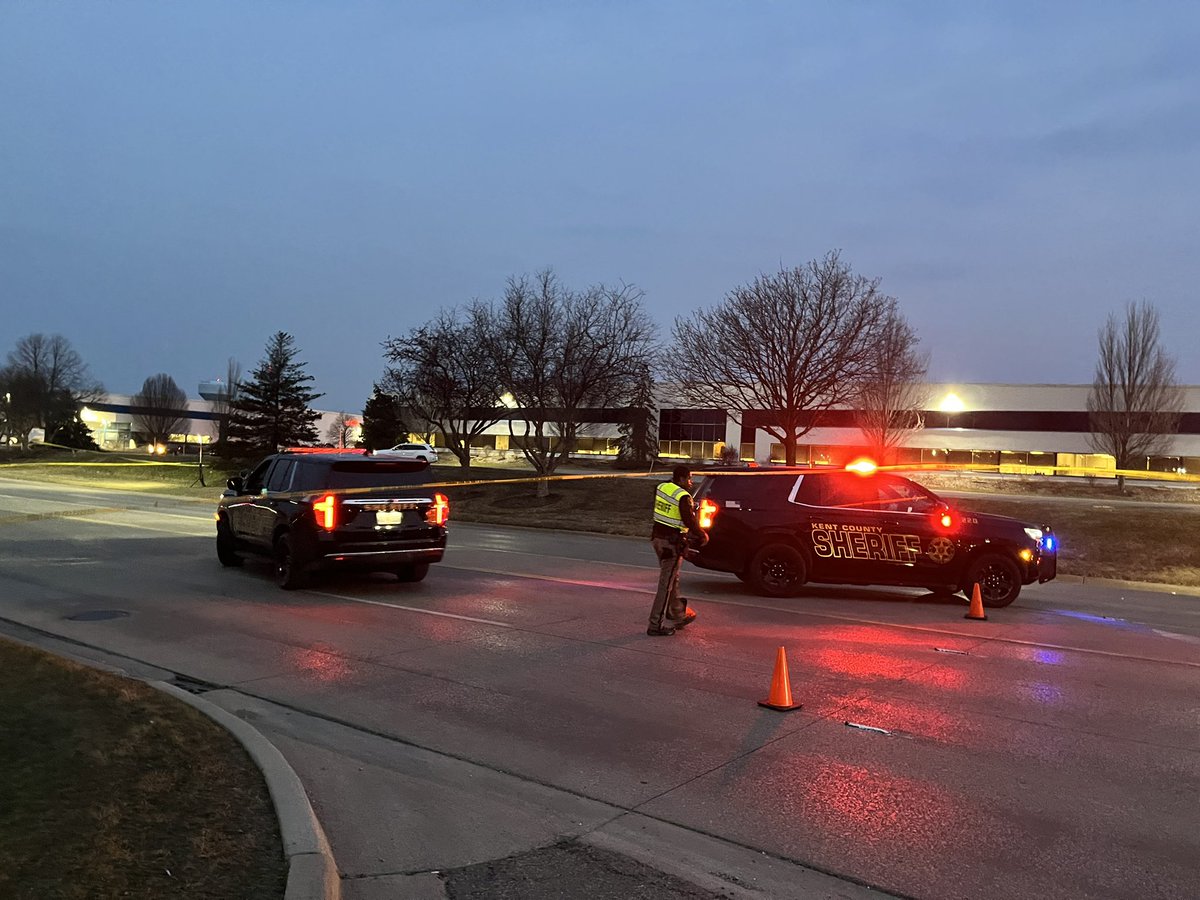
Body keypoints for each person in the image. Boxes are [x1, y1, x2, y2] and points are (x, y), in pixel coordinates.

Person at [646, 464, 707, 636]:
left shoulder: (662, 487)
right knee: (665, 585)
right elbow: (689, 521)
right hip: (671, 544)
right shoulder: (682, 496)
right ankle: (654, 625)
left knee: (672, 578)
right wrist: (702, 535)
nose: (691, 481)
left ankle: (676, 611)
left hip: (657, 539)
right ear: (681, 478)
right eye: (689, 478)